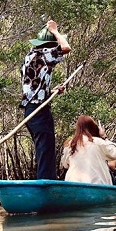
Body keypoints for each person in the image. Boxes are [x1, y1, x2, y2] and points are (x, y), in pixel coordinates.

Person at [21, 20, 71, 180]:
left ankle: (47, 181)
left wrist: (52, 92)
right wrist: (56, 31)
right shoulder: (44, 54)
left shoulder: (30, 56)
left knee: (45, 148)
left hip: (33, 109)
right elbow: (66, 48)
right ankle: (46, 184)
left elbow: (35, 87)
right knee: (45, 149)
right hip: (38, 111)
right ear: (48, 44)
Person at [60, 115, 116, 185]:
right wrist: (104, 137)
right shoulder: (98, 142)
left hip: (73, 184)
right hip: (97, 185)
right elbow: (114, 154)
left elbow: (65, 165)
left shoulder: (71, 144)